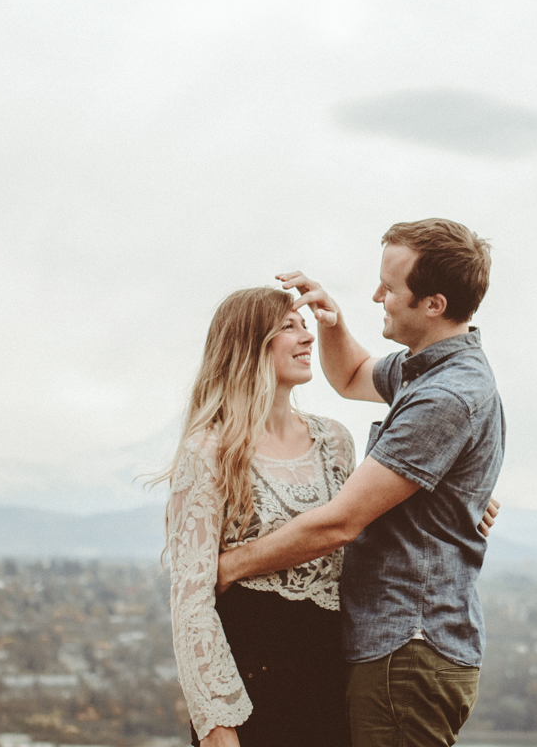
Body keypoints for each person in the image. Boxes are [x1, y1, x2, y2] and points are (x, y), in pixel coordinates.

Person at [216, 218, 505, 747]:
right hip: (396, 648)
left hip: (406, 650)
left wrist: (231, 564)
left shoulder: (446, 397)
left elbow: (342, 522)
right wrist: (331, 323)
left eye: (390, 289)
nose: (378, 297)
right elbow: (351, 377)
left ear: (434, 304)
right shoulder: (427, 370)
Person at [154, 287, 357, 747]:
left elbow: (370, 519)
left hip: (333, 681)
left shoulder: (336, 441)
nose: (307, 337)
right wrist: (217, 723)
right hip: (250, 685)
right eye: (289, 326)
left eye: (305, 325)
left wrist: (455, 498)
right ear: (248, 343)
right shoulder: (209, 451)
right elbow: (191, 601)